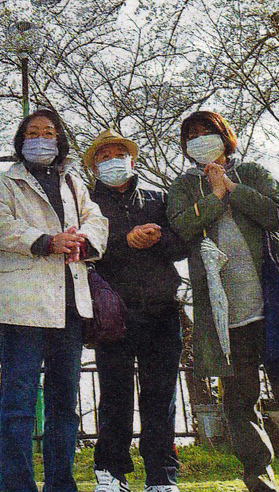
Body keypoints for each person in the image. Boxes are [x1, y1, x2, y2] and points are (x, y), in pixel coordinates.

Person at [165, 111, 279, 492]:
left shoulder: (251, 171)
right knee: (239, 402)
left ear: (225, 136)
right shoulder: (184, 186)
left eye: (208, 132)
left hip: (274, 306)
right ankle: (258, 480)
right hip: (225, 312)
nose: (201, 139)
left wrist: (231, 186)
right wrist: (215, 195)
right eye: (193, 135)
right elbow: (182, 225)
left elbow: (275, 214)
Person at [0, 108, 109, 492]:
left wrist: (82, 241)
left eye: (48, 132)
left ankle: (60, 485)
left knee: (64, 405)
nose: (41, 138)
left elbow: (96, 219)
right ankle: (17, 487)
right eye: (32, 132)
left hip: (69, 308)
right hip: (21, 308)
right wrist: (46, 242)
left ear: (59, 140)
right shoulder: (4, 182)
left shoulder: (74, 182)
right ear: (21, 141)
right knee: (18, 404)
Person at [82, 129, 186, 492]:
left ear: (132, 159)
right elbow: (86, 248)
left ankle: (161, 477)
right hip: (114, 315)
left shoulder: (160, 199)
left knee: (161, 397)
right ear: (94, 165)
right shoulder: (86, 204)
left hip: (162, 310)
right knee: (114, 395)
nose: (113, 160)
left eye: (119, 153)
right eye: (104, 155)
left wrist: (159, 239)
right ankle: (110, 473)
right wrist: (125, 240)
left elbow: (181, 246)